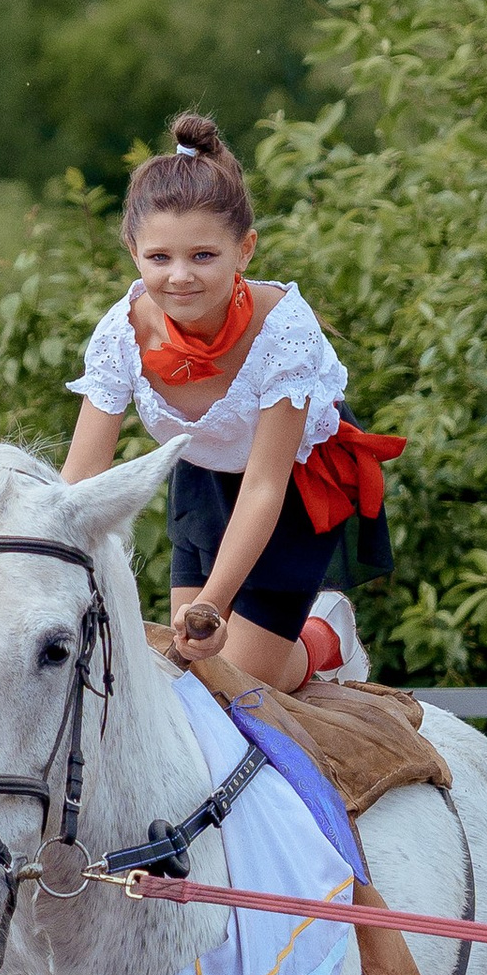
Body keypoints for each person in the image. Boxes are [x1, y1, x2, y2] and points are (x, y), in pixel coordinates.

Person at [61, 113, 401, 694]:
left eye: (203, 256)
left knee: (235, 682)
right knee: (190, 671)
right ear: (133, 251)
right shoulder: (122, 333)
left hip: (292, 484)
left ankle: (325, 639)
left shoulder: (284, 330)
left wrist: (214, 604)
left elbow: (266, 484)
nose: (180, 277)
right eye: (160, 257)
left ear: (244, 250)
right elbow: (82, 473)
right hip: (203, 475)